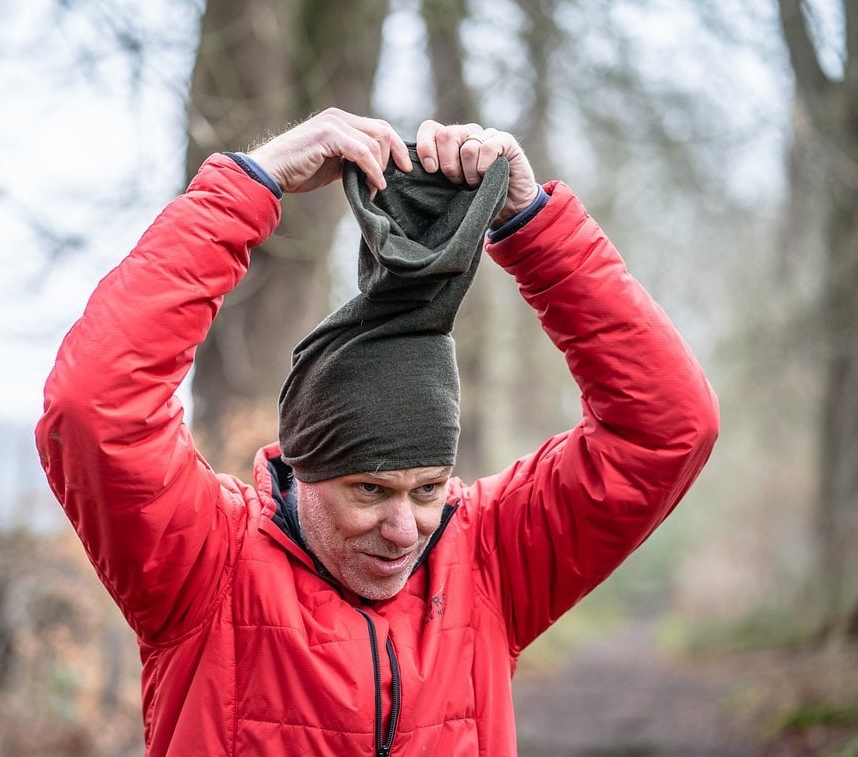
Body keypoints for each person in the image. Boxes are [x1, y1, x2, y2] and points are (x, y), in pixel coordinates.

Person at [35, 108, 719, 756]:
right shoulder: (206, 568)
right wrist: (255, 182)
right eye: (369, 490)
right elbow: (94, 409)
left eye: (426, 489)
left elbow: (667, 427)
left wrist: (533, 224)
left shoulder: (488, 563)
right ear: (303, 465)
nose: (404, 529)